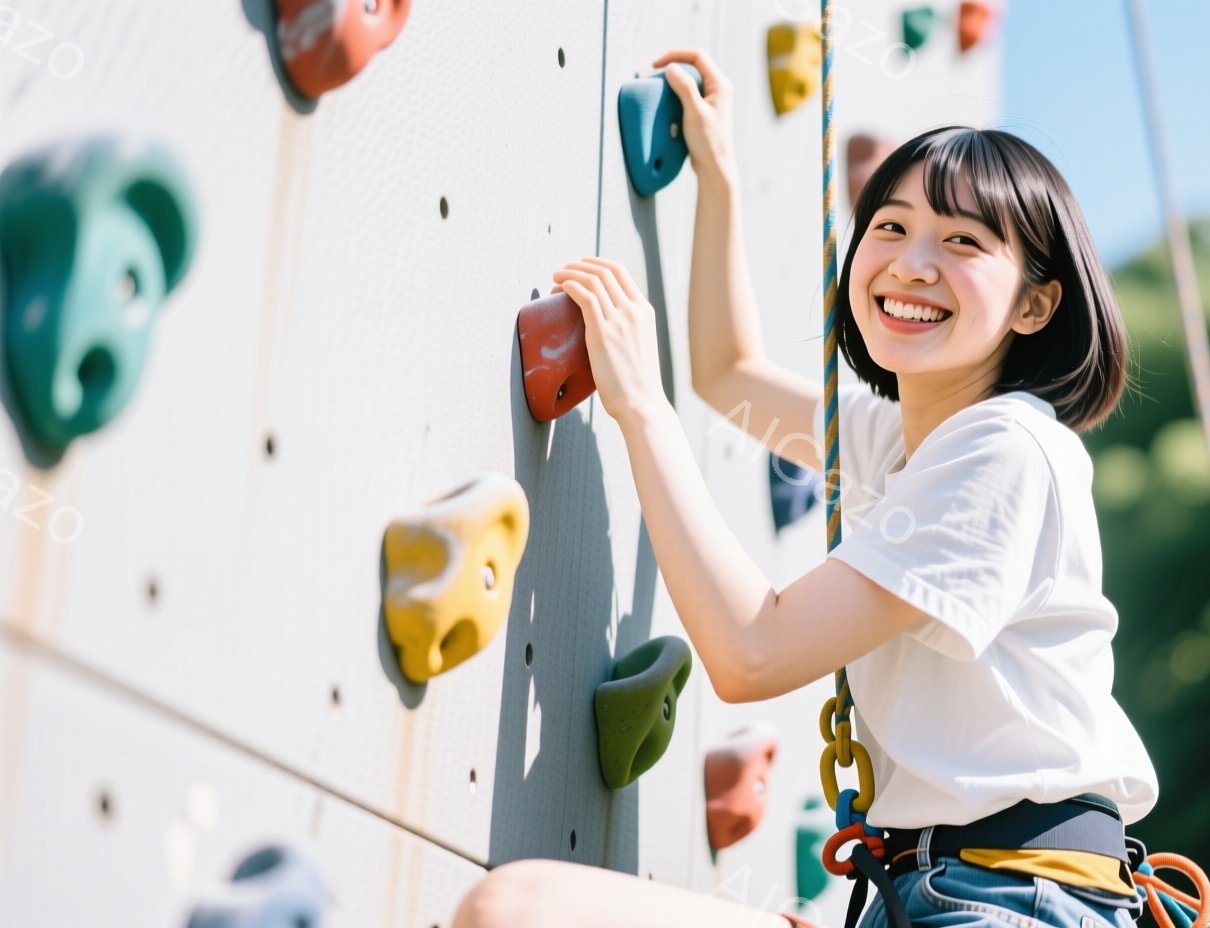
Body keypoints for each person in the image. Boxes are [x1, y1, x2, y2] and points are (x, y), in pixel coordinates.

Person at [454, 46, 1158, 928]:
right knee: (518, 907)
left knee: (520, 910)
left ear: (1035, 305)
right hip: (943, 892)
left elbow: (754, 653)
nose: (910, 263)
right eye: (891, 226)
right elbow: (728, 374)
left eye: (964, 242)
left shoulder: (1003, 448)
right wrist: (721, 178)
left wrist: (638, 402)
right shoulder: (911, 436)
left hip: (1010, 897)